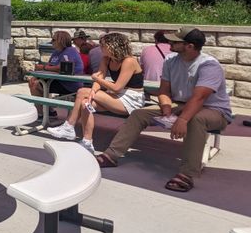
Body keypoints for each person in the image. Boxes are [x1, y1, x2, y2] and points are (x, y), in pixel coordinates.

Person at [95, 27, 233, 193]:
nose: (169, 43)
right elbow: (164, 91)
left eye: (175, 41)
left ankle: (187, 174)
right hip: (179, 104)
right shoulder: (170, 60)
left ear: (189, 46)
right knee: (139, 114)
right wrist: (166, 109)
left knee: (196, 119)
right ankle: (112, 155)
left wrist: (182, 120)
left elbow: (199, 98)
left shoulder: (209, 65)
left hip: (214, 109)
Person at [47, 33, 146, 154]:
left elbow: (116, 87)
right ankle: (87, 142)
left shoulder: (129, 61)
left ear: (112, 46)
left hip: (131, 98)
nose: (100, 48)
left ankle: (69, 126)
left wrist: (96, 81)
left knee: (82, 91)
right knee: (85, 103)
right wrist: (93, 91)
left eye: (103, 45)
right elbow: (100, 76)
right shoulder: (106, 59)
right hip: (117, 96)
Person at [28, 30, 84, 117]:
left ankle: (44, 112)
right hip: (58, 81)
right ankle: (47, 111)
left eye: (54, 40)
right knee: (33, 82)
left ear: (61, 40)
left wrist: (43, 67)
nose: (51, 42)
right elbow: (50, 66)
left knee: (37, 85)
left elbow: (62, 67)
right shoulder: (56, 52)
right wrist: (37, 76)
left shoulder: (70, 51)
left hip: (70, 84)